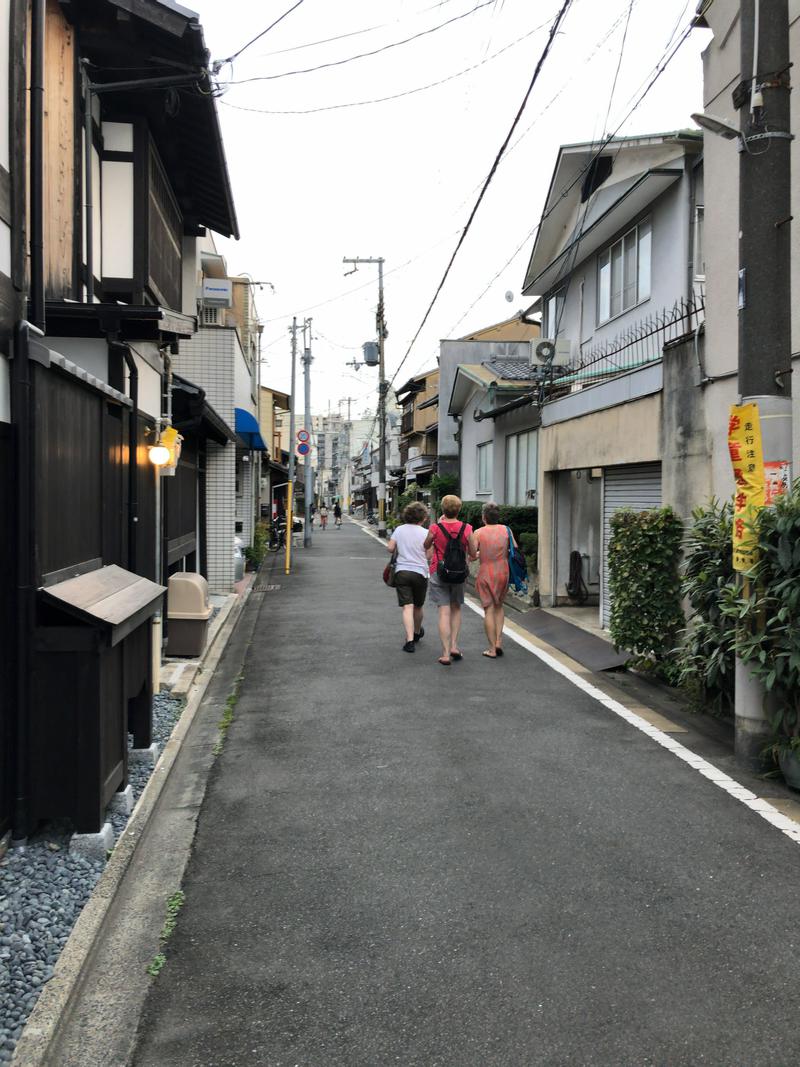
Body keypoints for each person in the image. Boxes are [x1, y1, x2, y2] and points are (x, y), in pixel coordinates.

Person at [423, 494, 476, 666]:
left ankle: (445, 654)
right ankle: (454, 645)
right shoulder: (467, 528)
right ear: (459, 509)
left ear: (443, 510)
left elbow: (426, 545)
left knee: (443, 612)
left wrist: (438, 526)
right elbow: (474, 553)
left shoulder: (435, 527)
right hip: (459, 573)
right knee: (456, 609)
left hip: (439, 572)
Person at [385, 501, 430, 653]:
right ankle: (417, 632)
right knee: (418, 606)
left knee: (407, 607)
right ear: (423, 518)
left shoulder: (399, 530)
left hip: (402, 572)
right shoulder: (426, 533)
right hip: (420, 573)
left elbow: (390, 548)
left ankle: (409, 640)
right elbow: (429, 555)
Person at [473, 501, 515, 659]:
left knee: (488, 609)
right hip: (503, 571)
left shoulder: (478, 532)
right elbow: (513, 549)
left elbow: (471, 554)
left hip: (486, 571)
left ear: (484, 517)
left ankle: (491, 649)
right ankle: (498, 641)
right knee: (499, 606)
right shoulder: (506, 530)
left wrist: (476, 555)